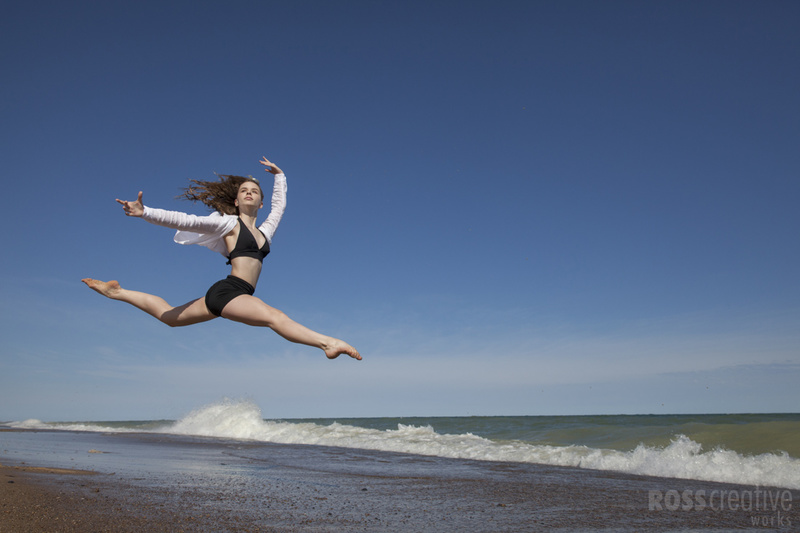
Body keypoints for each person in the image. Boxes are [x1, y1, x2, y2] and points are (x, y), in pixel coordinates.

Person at [82, 156, 361, 361]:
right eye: (243, 191)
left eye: (254, 191)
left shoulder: (265, 232)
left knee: (169, 316)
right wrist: (146, 213)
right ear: (237, 201)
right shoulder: (228, 225)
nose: (248, 192)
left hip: (229, 293)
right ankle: (327, 343)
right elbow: (186, 220)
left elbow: (280, 207)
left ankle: (117, 292)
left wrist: (280, 176)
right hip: (231, 291)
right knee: (275, 317)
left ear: (260, 202)